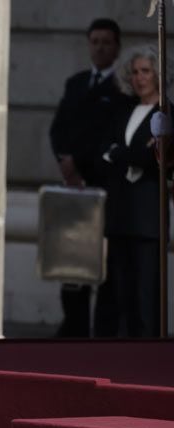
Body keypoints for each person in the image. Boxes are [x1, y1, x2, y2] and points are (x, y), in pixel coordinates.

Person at [48, 18, 126, 337]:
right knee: (71, 263)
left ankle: (104, 332)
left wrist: (81, 166)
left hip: (104, 189)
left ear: (117, 47)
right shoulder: (77, 83)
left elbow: (108, 137)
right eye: (94, 41)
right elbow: (59, 127)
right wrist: (65, 161)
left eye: (106, 42)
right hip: (73, 191)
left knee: (104, 267)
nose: (100, 47)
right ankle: (74, 329)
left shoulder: (123, 89)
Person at [93, 44, 172, 337]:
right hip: (119, 214)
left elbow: (149, 158)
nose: (140, 78)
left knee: (145, 297)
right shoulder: (123, 109)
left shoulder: (166, 112)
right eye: (136, 72)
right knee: (119, 294)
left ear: (158, 75)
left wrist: (119, 154)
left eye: (147, 71)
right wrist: (127, 153)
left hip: (148, 218)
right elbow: (102, 150)